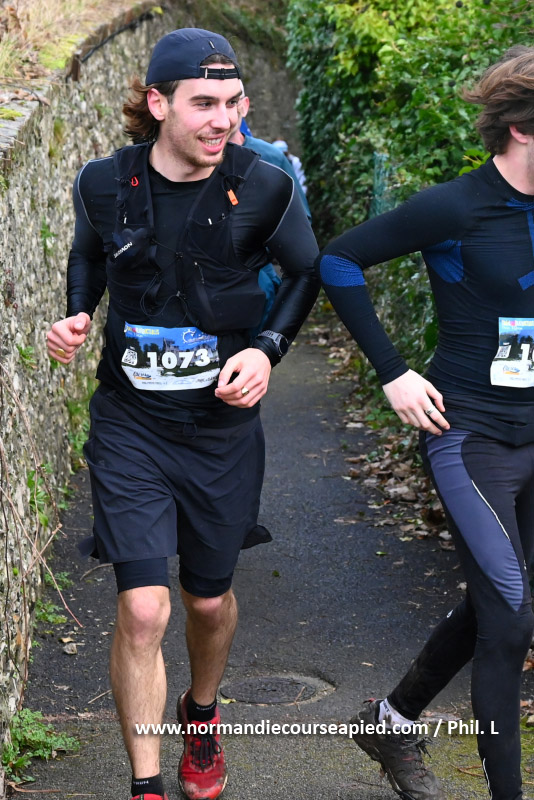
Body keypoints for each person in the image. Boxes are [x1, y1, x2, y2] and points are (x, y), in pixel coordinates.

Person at [46, 27, 319, 800]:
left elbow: (306, 271)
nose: (223, 119)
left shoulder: (264, 185)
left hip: (221, 433)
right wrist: (77, 312)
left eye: (233, 102)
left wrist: (265, 350)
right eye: (204, 103)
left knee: (206, 599)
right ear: (159, 102)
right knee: (142, 610)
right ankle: (146, 786)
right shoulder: (104, 183)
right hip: (130, 426)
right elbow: (88, 253)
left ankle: (201, 711)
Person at [318, 47, 534, 800]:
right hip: (469, 436)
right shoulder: (456, 207)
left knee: (497, 605)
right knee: (510, 623)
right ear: (522, 127)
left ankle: (390, 720)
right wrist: (393, 372)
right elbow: (339, 261)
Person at [228, 82, 312, 336]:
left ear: (245, 106)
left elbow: (299, 218)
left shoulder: (271, 158)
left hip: (256, 279)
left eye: (232, 102)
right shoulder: (189, 159)